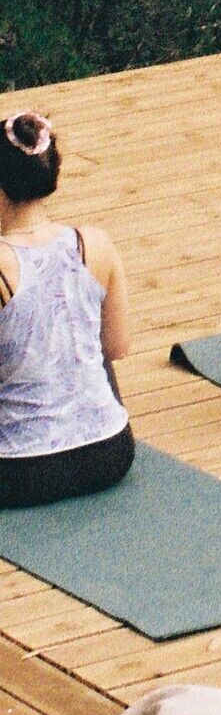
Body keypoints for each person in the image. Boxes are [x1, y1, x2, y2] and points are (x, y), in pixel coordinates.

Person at [0, 111, 134, 507]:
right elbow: (117, 346)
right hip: (109, 453)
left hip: (18, 472)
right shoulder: (94, 243)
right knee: (82, 339)